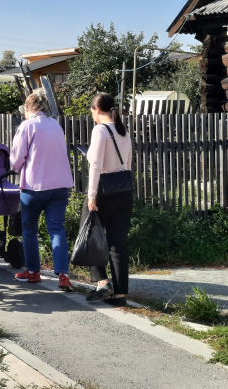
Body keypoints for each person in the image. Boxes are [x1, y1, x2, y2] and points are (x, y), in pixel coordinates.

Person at [10, 89, 74, 290]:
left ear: (27, 108)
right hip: (60, 185)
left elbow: (17, 158)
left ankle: (33, 271)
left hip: (34, 186)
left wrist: (16, 168)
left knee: (29, 229)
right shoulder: (56, 125)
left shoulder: (27, 126)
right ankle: (63, 275)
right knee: (57, 229)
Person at [84, 92, 133, 306]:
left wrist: (91, 195)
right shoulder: (123, 130)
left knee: (88, 233)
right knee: (117, 242)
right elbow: (126, 161)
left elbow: (95, 165)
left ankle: (102, 281)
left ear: (96, 110)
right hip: (124, 189)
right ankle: (120, 295)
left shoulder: (99, 130)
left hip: (104, 189)